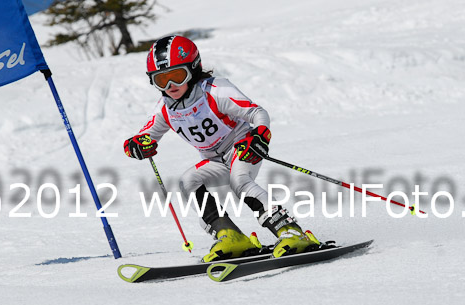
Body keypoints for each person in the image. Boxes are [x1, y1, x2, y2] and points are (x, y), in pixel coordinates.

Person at [124, 35, 320, 262]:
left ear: (193, 69)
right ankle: (230, 235)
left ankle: (290, 231)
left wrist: (260, 135)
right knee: (188, 181)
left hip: (242, 147)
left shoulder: (215, 90)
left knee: (240, 182)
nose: (171, 86)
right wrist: (136, 146)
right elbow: (143, 136)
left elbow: (257, 113)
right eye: (161, 80)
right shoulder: (165, 108)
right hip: (215, 160)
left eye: (177, 76)